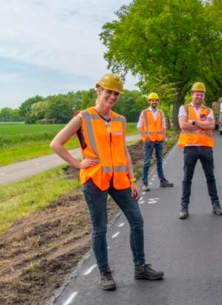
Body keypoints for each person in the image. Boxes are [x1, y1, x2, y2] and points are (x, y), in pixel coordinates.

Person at [50, 73, 164, 291]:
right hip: (95, 180)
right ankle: (105, 273)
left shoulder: (120, 120)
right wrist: (78, 164)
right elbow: (56, 144)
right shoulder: (83, 117)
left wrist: (132, 180)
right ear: (98, 90)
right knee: (100, 228)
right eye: (109, 92)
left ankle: (140, 267)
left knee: (137, 221)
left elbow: (124, 152)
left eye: (116, 94)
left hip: (120, 180)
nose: (112, 97)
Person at [178, 82, 222, 219]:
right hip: (190, 147)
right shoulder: (184, 108)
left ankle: (216, 204)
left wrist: (193, 122)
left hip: (205, 147)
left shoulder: (209, 110)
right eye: (197, 93)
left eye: (202, 94)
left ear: (204, 96)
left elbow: (211, 126)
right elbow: (183, 125)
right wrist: (202, 125)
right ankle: (184, 207)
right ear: (192, 94)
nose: (199, 96)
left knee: (210, 177)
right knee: (187, 178)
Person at [137, 92, 174, 191]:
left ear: (157, 101)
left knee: (159, 161)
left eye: (155, 100)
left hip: (159, 140)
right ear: (149, 101)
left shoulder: (161, 113)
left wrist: (163, 136)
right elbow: (139, 126)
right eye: (152, 100)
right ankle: (144, 183)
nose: (154, 102)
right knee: (146, 162)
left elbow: (164, 126)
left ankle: (162, 180)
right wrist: (146, 137)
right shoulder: (144, 113)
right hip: (149, 141)